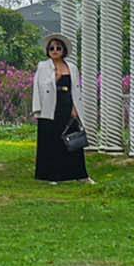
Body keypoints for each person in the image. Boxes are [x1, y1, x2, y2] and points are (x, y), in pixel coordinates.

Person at [32, 36, 90, 184]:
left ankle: (80, 175)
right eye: (52, 48)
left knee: (73, 141)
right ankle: (52, 175)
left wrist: (75, 108)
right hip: (50, 107)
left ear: (63, 50)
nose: (55, 51)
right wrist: (55, 78)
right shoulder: (43, 66)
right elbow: (39, 87)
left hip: (67, 104)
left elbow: (75, 90)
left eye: (58, 48)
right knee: (51, 142)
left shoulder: (71, 67)